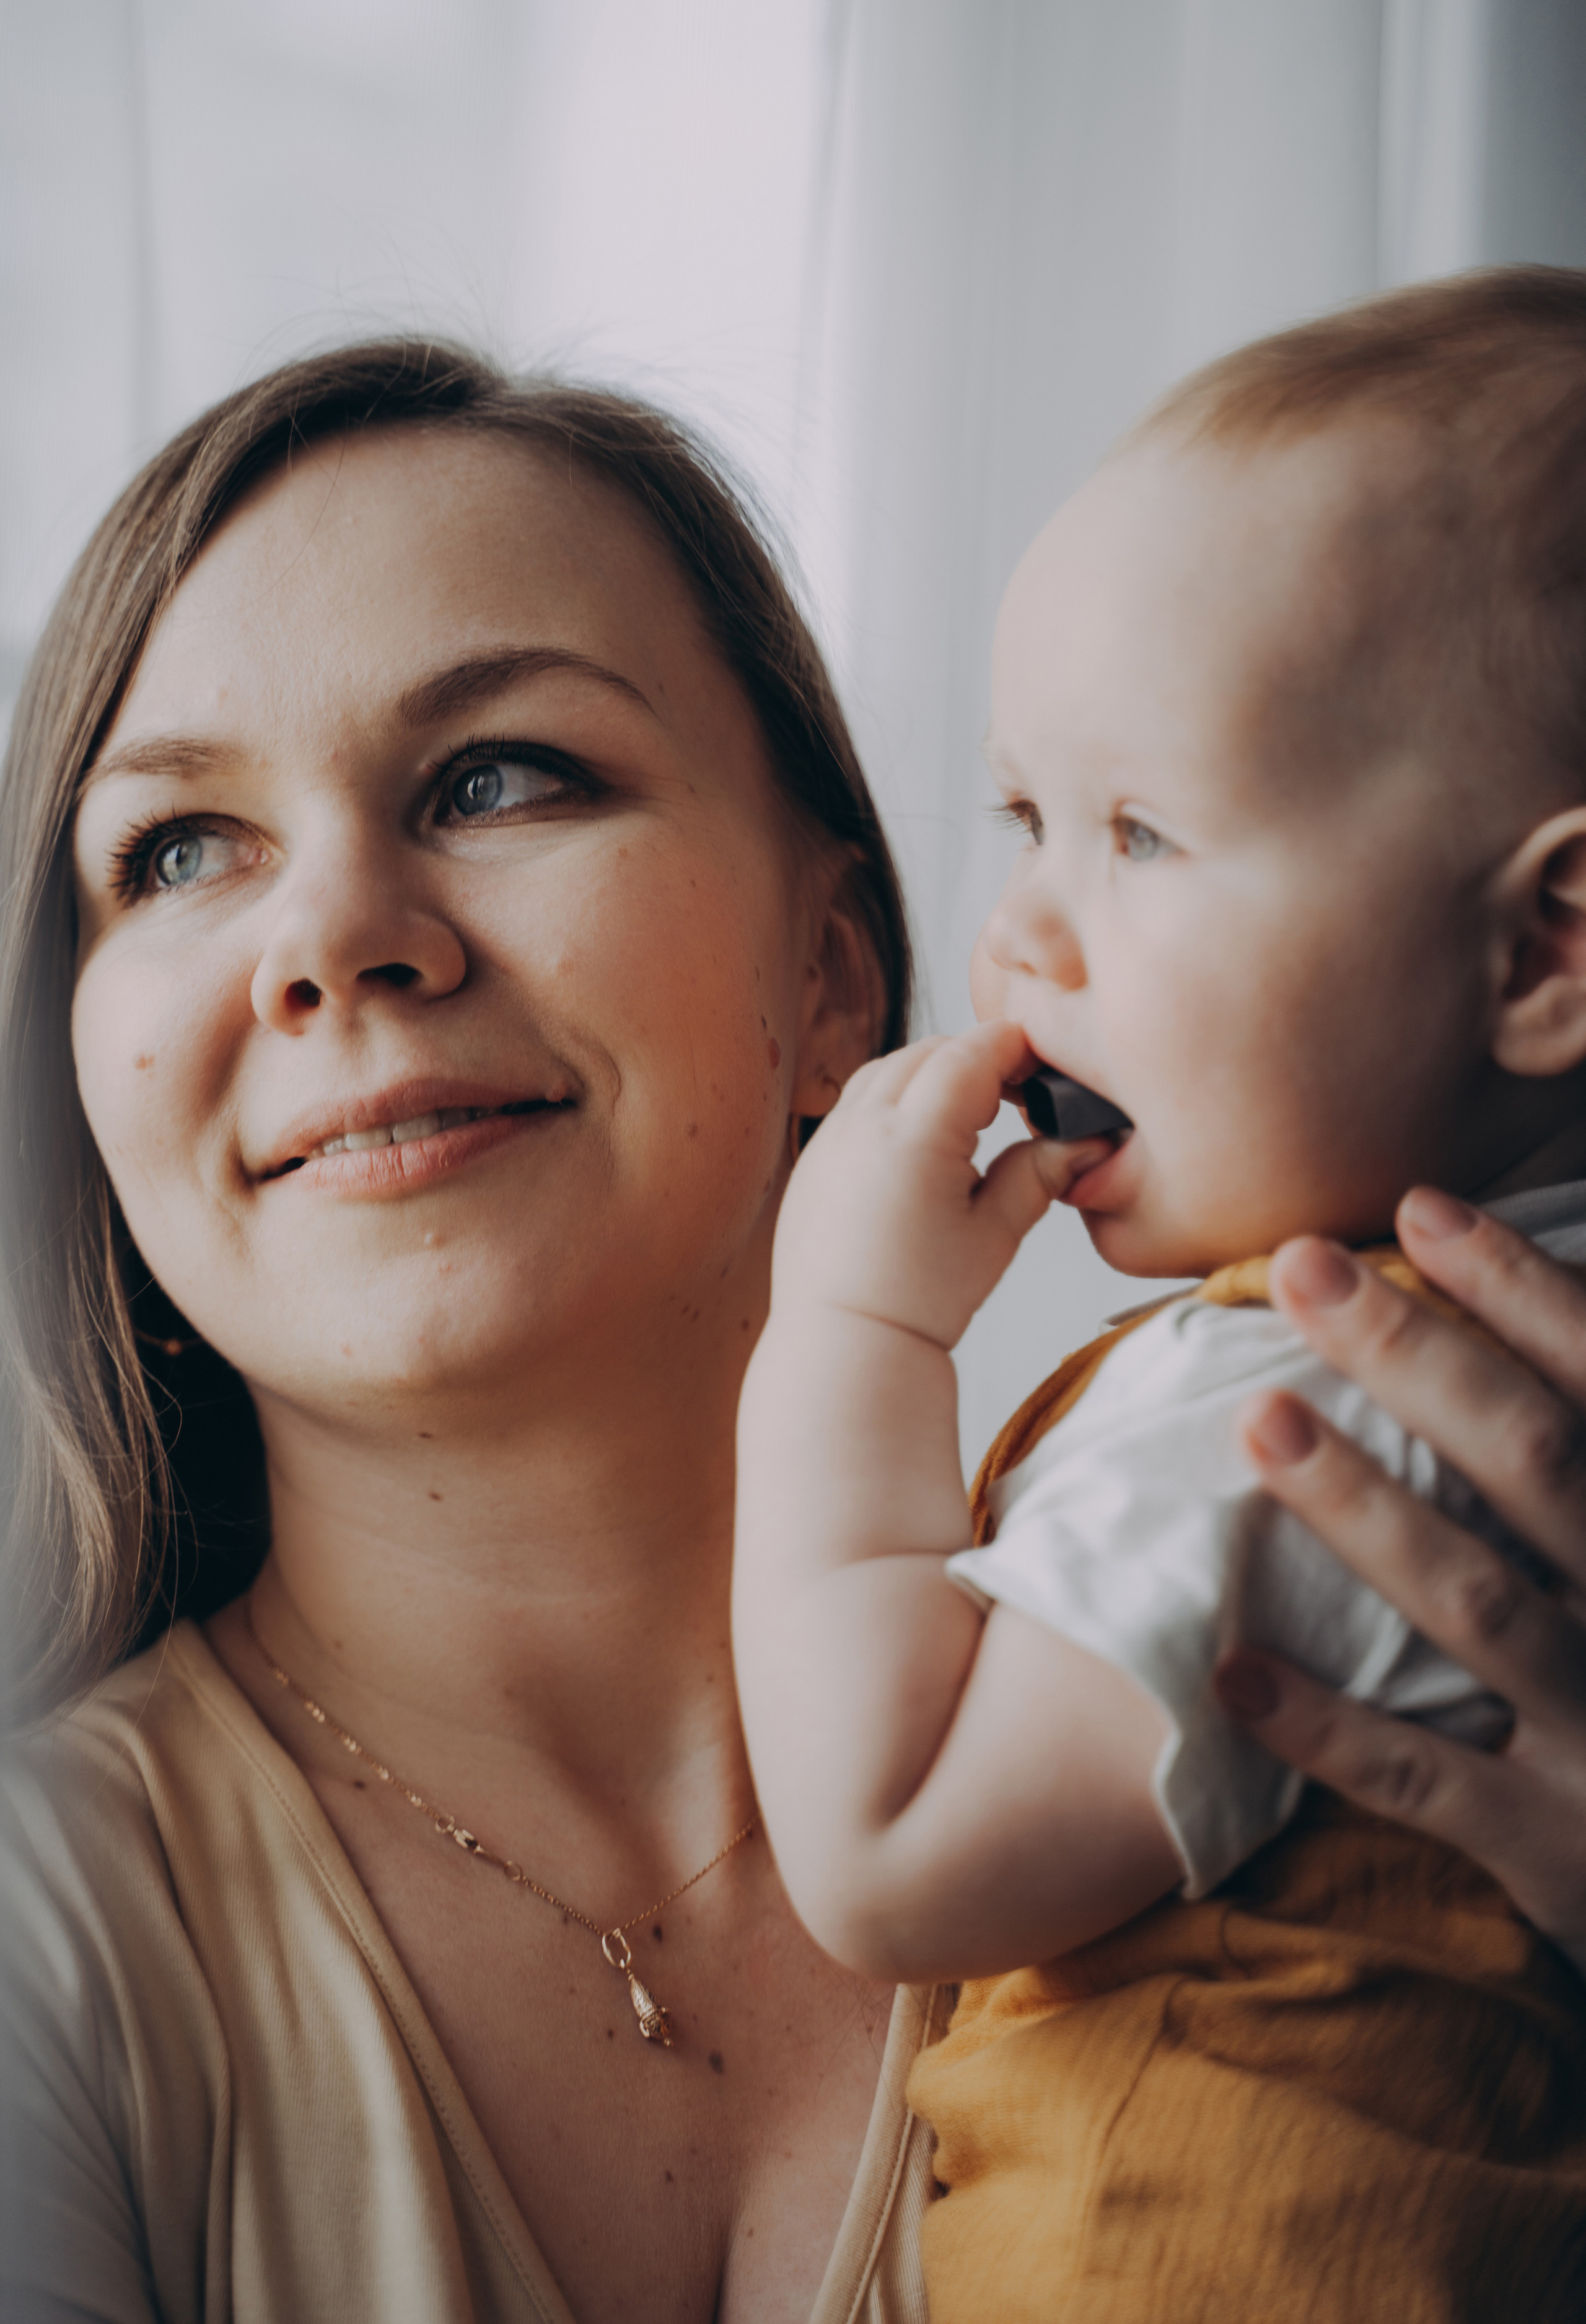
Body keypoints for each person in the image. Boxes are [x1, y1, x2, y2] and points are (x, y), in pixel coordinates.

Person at [0, 331, 1583, 2324]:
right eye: (176, 850)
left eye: (499, 777)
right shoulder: (47, 1952)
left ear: (833, 969)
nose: (329, 941)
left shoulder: (1312, 1607)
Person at [734, 268, 1586, 2322]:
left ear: (1548, 953)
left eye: (1142, 832)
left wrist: (851, 1335)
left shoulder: (1311, 1410)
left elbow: (890, 1841)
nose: (1022, 931)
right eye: (1026, 816)